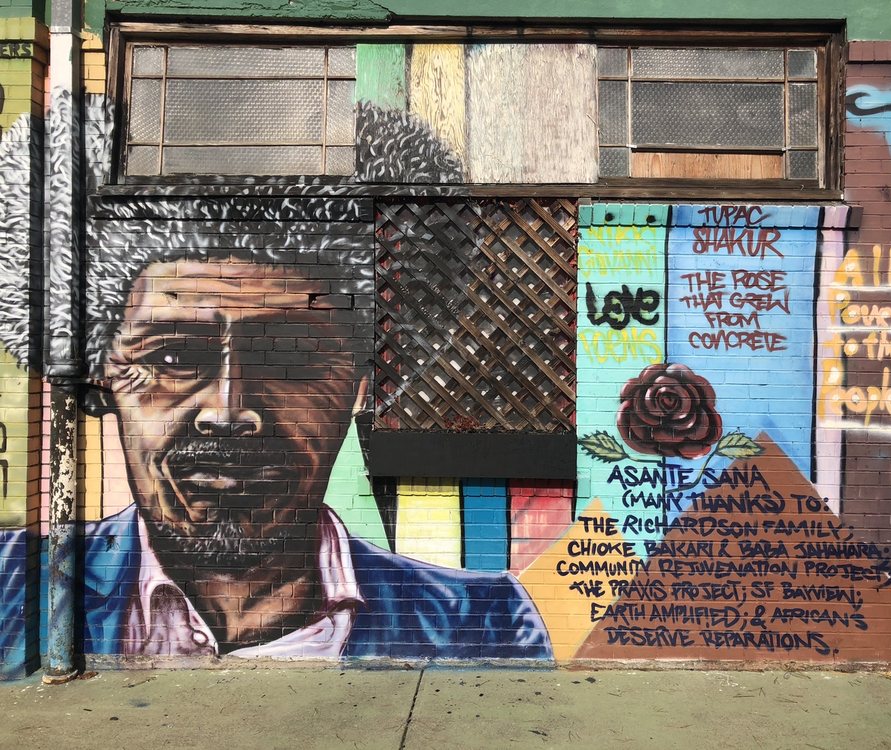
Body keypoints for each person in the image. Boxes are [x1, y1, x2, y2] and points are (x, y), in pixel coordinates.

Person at [0, 202, 552, 664]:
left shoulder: (486, 620)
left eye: (291, 358)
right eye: (171, 357)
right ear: (104, 381)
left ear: (359, 388)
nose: (228, 411)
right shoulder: (10, 585)